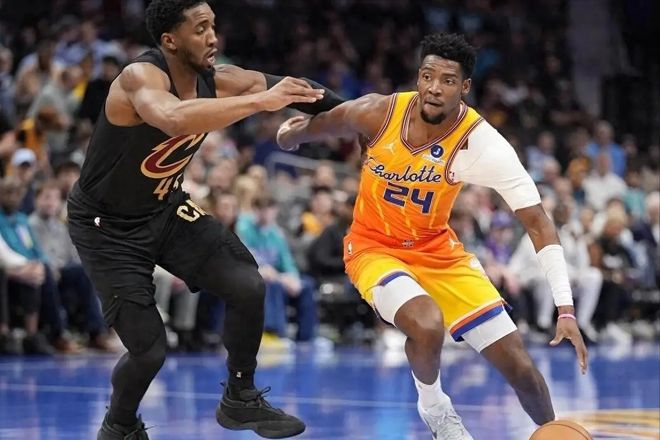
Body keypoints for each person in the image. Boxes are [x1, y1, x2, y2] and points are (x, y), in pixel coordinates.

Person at [277, 33, 587, 440]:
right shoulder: (379, 113)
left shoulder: (482, 144)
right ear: (418, 77)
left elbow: (539, 223)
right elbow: (327, 122)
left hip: (438, 251)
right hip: (373, 247)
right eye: (428, 76)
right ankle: (436, 408)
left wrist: (565, 309)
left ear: (465, 87)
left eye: (447, 80)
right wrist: (291, 135)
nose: (435, 88)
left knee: (522, 370)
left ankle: (554, 431)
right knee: (427, 323)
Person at [66, 1, 344, 439]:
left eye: (213, 26)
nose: (213, 37)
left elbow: (299, 89)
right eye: (200, 29)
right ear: (170, 40)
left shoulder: (222, 79)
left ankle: (240, 396)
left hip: (164, 209)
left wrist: (365, 120)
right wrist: (260, 102)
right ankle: (119, 427)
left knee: (248, 284)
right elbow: (173, 118)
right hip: (107, 227)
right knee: (148, 350)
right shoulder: (139, 77)